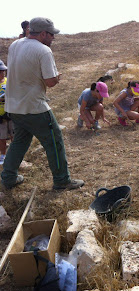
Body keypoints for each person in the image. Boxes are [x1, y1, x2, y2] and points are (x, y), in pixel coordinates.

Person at [1, 17, 84, 190]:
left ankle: (8, 178)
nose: (53, 38)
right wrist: (57, 77)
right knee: (55, 141)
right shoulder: (43, 50)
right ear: (44, 33)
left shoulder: (15, 45)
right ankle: (62, 181)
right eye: (52, 34)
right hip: (34, 107)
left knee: (20, 141)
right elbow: (50, 82)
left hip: (14, 106)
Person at [0, 60, 13, 165]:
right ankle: (3, 155)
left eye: (3, 71)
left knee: (14, 135)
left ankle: (15, 154)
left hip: (10, 113)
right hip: (0, 117)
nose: (2, 73)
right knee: (2, 137)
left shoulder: (8, 81)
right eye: (0, 71)